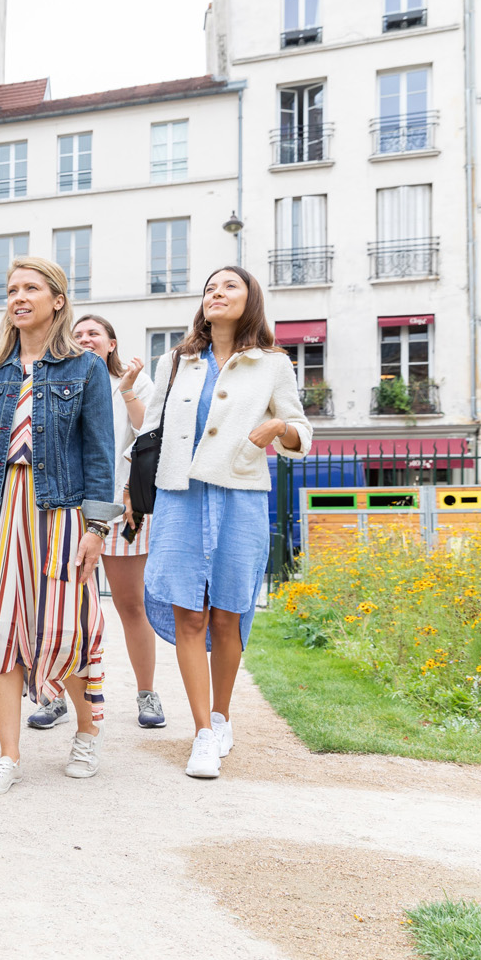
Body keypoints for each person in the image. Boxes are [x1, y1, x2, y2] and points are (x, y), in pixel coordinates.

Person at [0, 257, 119, 794]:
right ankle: (8, 755)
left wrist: (96, 529)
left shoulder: (86, 368)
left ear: (57, 300)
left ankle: (87, 732)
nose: (18, 296)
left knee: (67, 626)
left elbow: (100, 454)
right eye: (12, 289)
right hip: (0, 510)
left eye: (31, 288)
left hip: (60, 511)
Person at [139, 266, 311, 779]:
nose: (216, 292)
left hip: (240, 495)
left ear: (250, 299)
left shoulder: (273, 364)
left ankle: (221, 715)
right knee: (190, 614)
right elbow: (151, 429)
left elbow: (300, 432)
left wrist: (277, 427)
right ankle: (202, 733)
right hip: (180, 496)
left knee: (227, 615)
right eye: (210, 287)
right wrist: (130, 491)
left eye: (229, 286)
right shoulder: (176, 360)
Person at [63, 313, 165, 730]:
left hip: (125, 508)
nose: (85, 338)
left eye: (94, 333)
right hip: (72, 509)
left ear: (112, 343)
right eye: (78, 334)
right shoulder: (61, 382)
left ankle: (147, 693)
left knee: (130, 604)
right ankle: (56, 695)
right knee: (65, 607)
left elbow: (148, 430)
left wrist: (126, 389)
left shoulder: (136, 381)